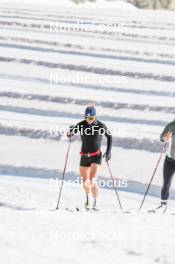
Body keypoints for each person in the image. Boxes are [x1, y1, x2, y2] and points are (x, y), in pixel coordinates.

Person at [67, 106, 112, 210]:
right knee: (85, 180)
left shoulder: (100, 125)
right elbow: (71, 133)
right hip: (84, 156)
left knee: (92, 179)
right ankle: (88, 199)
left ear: (95, 117)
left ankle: (96, 202)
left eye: (91, 118)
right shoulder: (82, 124)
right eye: (86, 117)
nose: (89, 120)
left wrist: (108, 151)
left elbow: (109, 136)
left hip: (96, 155)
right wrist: (70, 132)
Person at [156, 120, 175, 212]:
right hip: (169, 159)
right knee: (166, 183)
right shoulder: (171, 125)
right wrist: (165, 137)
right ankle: (163, 205)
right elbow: (162, 137)